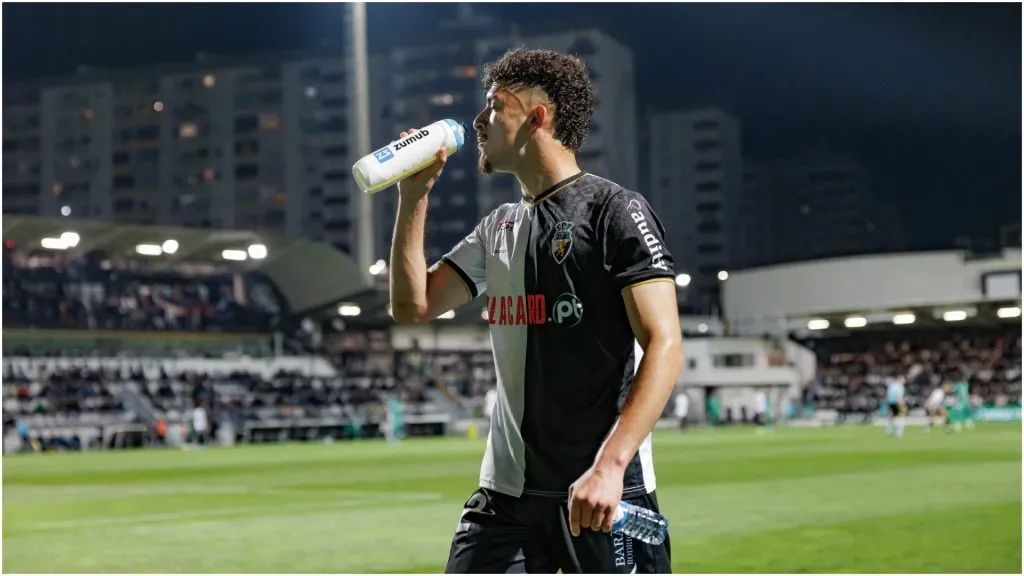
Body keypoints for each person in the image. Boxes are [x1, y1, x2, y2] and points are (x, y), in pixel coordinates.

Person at [388, 48, 682, 574]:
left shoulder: (616, 212)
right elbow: (412, 305)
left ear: (537, 118)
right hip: (505, 500)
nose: (479, 121)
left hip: (601, 496)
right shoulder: (497, 227)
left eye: (494, 107)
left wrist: (611, 468)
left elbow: (665, 342)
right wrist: (414, 198)